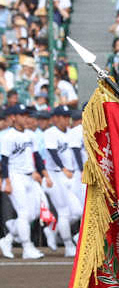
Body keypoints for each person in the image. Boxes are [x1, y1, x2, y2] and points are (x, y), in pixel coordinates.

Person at [0, 104, 49, 260]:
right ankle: (27, 247)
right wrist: (6, 181)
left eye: (27, 115)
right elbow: (4, 161)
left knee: (33, 213)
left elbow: (37, 157)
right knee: (23, 213)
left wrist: (43, 173)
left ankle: (7, 238)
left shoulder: (30, 135)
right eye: (22, 115)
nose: (26, 118)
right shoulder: (8, 136)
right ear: (14, 117)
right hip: (15, 176)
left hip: (30, 176)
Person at [42, 105, 82, 256]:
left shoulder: (71, 133)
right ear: (56, 118)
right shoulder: (50, 132)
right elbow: (52, 152)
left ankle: (52, 230)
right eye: (64, 117)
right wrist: (64, 168)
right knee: (64, 212)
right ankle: (68, 245)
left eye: (68, 117)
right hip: (55, 174)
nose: (67, 119)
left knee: (77, 211)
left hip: (67, 176)